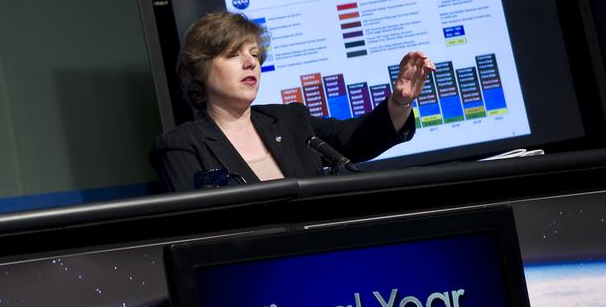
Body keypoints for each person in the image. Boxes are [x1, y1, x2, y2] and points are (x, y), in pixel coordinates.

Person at [150, 11, 434, 192]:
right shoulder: (180, 146)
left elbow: (354, 139)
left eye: (254, 54)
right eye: (234, 54)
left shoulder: (289, 120)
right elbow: (196, 232)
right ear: (200, 69)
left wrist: (399, 102)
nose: (251, 63)